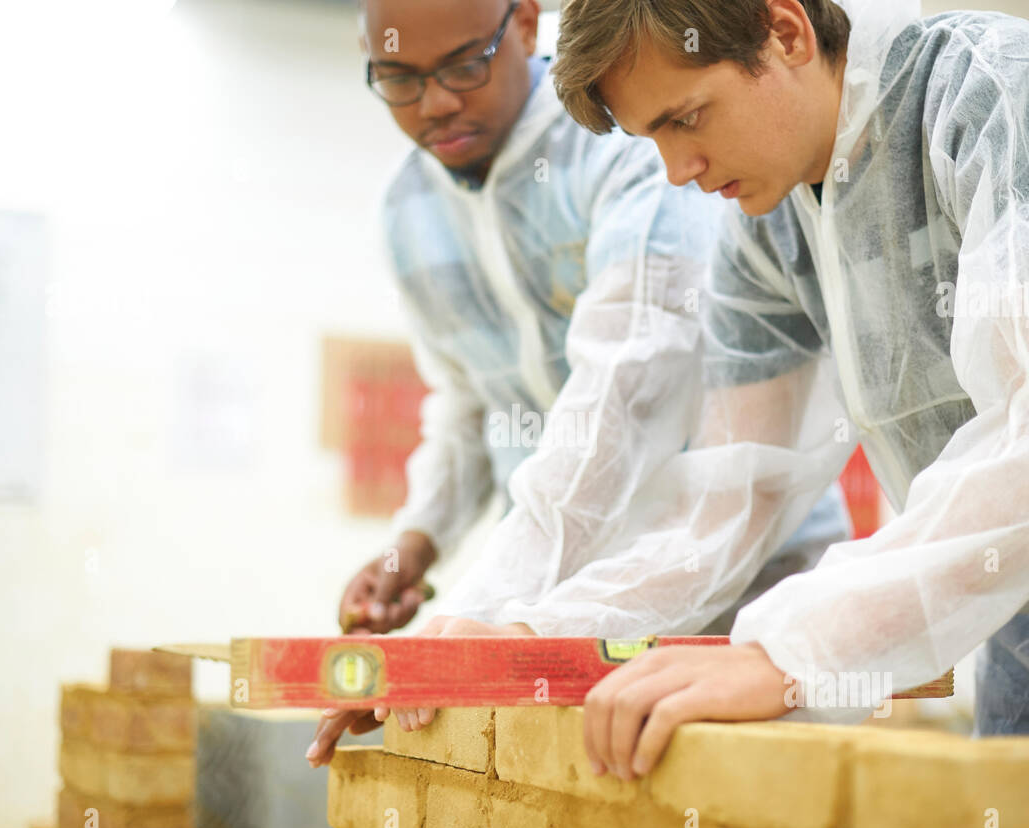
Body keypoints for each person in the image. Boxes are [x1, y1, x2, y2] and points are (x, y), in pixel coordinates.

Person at [544, 0, 1029, 780]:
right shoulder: (769, 225)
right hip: (1024, 598)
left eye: (686, 119)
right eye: (653, 138)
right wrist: (528, 633)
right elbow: (732, 500)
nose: (678, 170)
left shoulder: (993, 92)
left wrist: (792, 651)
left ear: (785, 32)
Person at [307, 0, 852, 766]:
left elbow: (625, 396)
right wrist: (416, 548)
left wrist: (471, 620)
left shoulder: (634, 137)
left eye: (464, 66)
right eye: (396, 78)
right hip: (555, 604)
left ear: (526, 24)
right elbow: (470, 404)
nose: (435, 103)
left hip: (747, 582)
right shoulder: (410, 211)